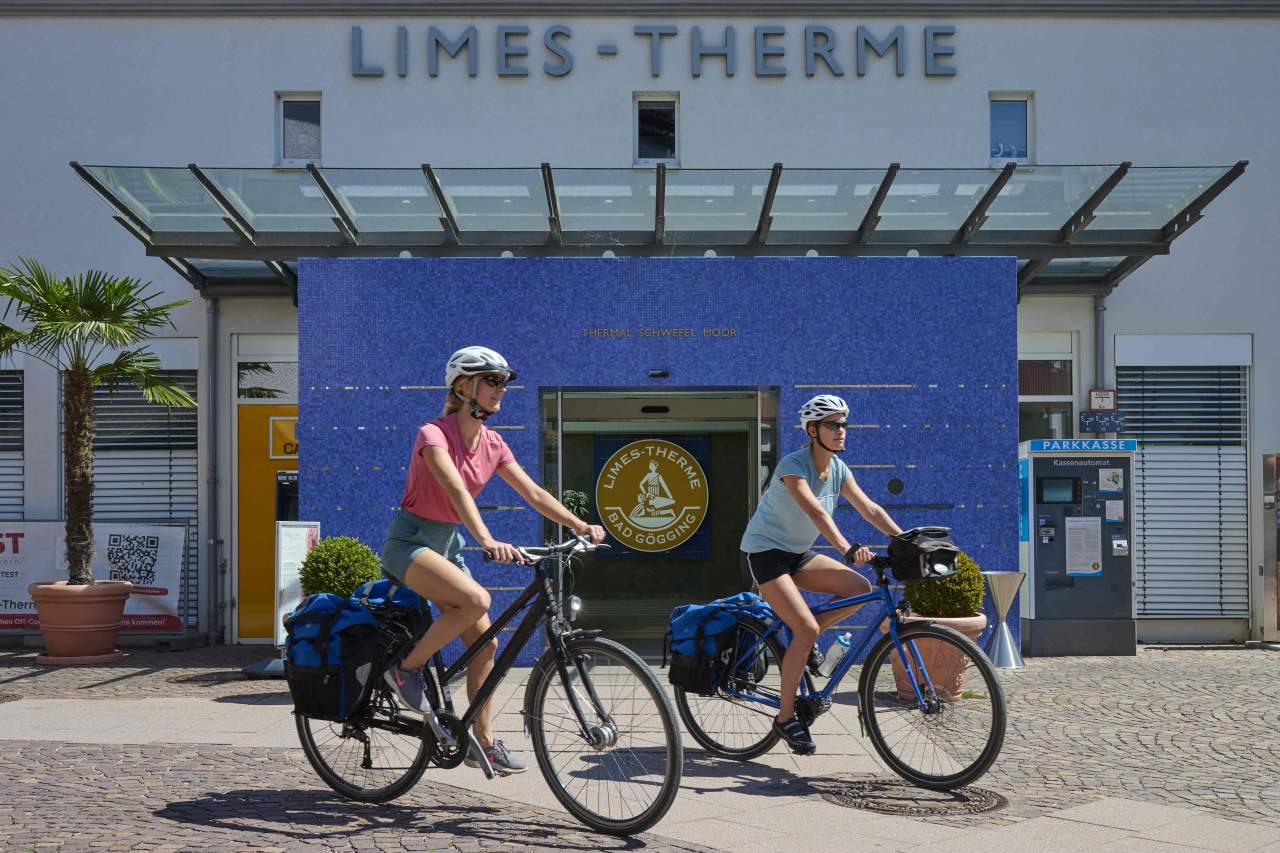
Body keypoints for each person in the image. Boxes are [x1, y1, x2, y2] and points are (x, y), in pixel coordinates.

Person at [380, 345, 606, 776]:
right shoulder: (433, 434)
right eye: (493, 380)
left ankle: (481, 742)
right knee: (476, 600)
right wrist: (487, 539)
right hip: (410, 542)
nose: (501, 389)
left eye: (504, 382)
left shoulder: (494, 443)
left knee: (486, 647)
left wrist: (579, 524)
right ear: (464, 386)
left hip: (446, 546)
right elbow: (456, 491)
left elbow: (534, 494)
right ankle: (405, 669)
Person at [739, 394, 903, 755]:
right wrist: (846, 548)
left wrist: (903, 539)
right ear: (813, 430)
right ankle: (785, 718)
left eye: (843, 424)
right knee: (807, 627)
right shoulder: (792, 465)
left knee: (856, 587)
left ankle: (806, 641)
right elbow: (817, 514)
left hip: (796, 555)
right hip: (764, 553)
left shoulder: (840, 470)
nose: (841, 431)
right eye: (833, 424)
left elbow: (869, 508)